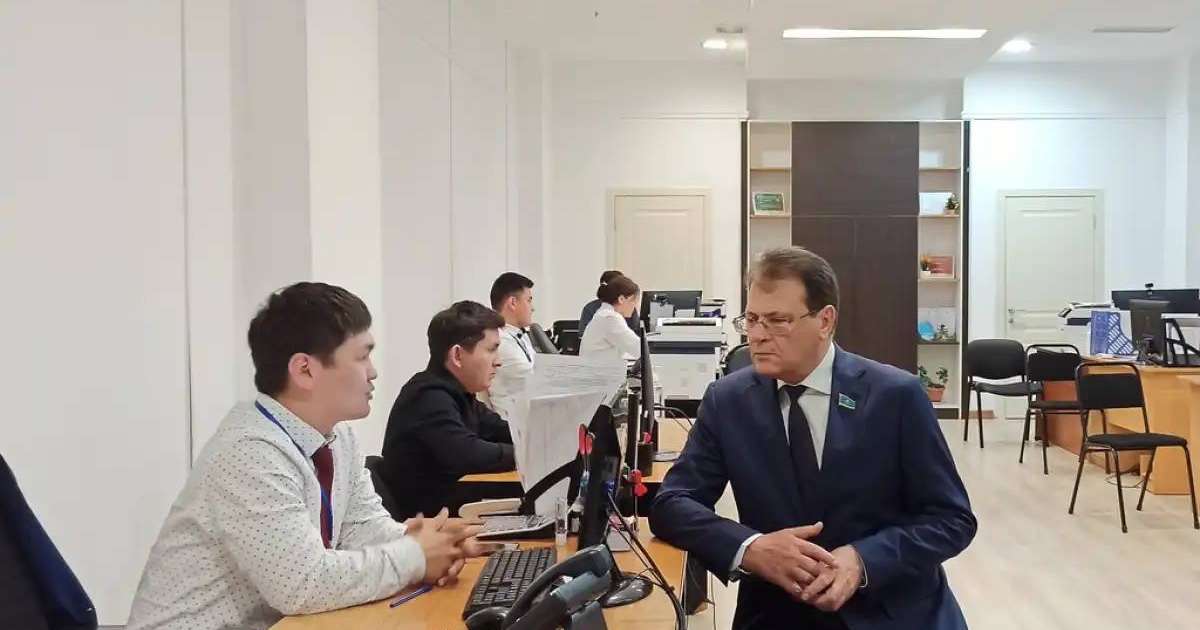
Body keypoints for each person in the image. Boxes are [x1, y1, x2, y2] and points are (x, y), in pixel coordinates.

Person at [650, 247, 976, 630]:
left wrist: (863, 560)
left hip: (891, 611)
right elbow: (672, 504)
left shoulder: (895, 396)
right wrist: (750, 548)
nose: (757, 336)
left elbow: (951, 519)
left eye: (778, 321)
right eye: (751, 320)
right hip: (777, 614)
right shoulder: (728, 401)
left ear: (825, 320)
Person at [127, 282, 479, 630]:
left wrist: (435, 544)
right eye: (362, 356)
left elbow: (363, 528)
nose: (373, 371)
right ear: (304, 370)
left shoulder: (337, 437)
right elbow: (303, 584)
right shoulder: (251, 450)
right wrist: (415, 556)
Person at [384, 301, 516, 519]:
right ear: (457, 356)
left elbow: (500, 430)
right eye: (492, 350)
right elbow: (468, 454)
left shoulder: (459, 394)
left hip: (452, 512)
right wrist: (524, 453)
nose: (498, 362)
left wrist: (542, 442)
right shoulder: (427, 397)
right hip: (431, 527)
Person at [486, 272, 536, 422]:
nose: (533, 308)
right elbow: (536, 379)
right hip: (512, 427)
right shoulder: (499, 341)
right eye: (529, 300)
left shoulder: (519, 335)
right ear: (513, 303)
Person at [578, 274, 642, 363]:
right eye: (634, 301)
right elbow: (638, 349)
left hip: (599, 368)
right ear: (621, 299)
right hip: (600, 370)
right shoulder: (610, 318)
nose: (635, 306)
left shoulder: (604, 313)